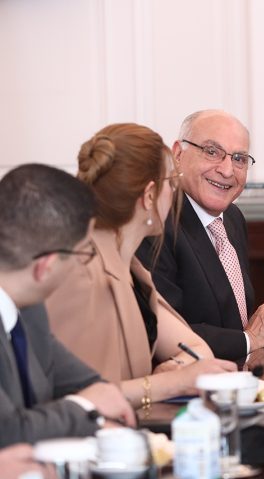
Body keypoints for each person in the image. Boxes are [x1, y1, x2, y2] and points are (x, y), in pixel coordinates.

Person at [46, 124, 237, 408]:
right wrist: (170, 382)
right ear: (149, 196)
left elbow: (198, 351)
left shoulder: (131, 267)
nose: (175, 193)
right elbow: (77, 399)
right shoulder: (78, 273)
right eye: (171, 182)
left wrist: (172, 371)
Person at [137, 110, 264, 360]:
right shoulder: (156, 224)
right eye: (212, 152)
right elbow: (160, 332)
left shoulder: (233, 218)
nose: (227, 170)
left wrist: (262, 324)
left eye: (239, 158)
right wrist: (250, 338)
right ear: (178, 154)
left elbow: (224, 318)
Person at [0, 164, 135, 445]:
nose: (81, 264)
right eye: (83, 253)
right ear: (46, 267)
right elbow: (8, 432)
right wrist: (85, 407)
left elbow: (90, 385)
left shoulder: (30, 310)